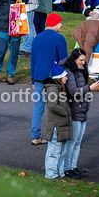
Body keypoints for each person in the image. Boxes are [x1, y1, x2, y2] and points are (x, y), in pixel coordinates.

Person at [30, 13, 69, 144]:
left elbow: (33, 60)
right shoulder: (59, 38)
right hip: (54, 78)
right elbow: (63, 60)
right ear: (55, 24)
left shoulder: (37, 38)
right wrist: (65, 76)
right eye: (60, 23)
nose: (62, 25)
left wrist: (33, 79)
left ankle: (35, 136)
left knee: (38, 108)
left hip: (39, 77)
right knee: (56, 106)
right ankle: (56, 135)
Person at [62, 49, 99, 179]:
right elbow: (73, 91)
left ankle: (73, 166)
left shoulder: (80, 71)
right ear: (74, 60)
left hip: (83, 110)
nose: (83, 63)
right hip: (74, 111)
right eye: (81, 60)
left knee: (78, 143)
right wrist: (90, 88)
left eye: (85, 60)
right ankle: (67, 168)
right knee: (71, 143)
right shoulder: (69, 72)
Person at [42, 63, 72, 179]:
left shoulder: (58, 88)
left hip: (62, 124)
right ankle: (51, 174)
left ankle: (60, 173)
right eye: (65, 76)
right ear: (59, 77)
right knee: (54, 152)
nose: (67, 78)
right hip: (56, 126)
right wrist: (66, 113)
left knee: (62, 152)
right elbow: (52, 105)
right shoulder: (53, 89)